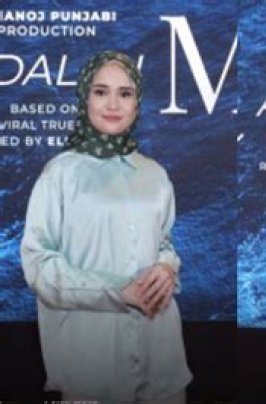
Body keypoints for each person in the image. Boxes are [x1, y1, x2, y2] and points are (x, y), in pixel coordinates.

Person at [21, 51, 192, 403]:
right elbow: (39, 266)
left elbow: (164, 243)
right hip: (91, 362)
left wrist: (166, 268)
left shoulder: (155, 174)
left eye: (125, 93)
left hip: (162, 356)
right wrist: (118, 291)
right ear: (85, 98)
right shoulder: (59, 174)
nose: (113, 104)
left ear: (137, 103)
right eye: (101, 92)